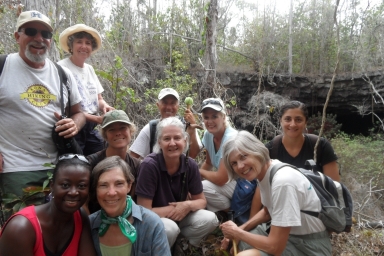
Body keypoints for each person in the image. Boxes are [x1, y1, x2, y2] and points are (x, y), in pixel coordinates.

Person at [0, 10, 85, 221]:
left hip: (58, 168)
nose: (39, 39)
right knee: (21, 230)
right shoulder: (3, 67)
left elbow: (79, 112)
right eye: (31, 31)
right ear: (17, 36)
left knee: (60, 229)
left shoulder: (62, 74)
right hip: (15, 167)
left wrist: (75, 124)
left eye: (45, 34)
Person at [219, 130, 332, 256]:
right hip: (290, 235)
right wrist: (241, 229)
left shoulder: (283, 182)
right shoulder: (266, 172)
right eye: (234, 163)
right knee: (241, 243)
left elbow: (275, 247)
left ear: (257, 151)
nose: (240, 166)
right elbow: (267, 211)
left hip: (309, 246)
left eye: (243, 156)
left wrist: (237, 233)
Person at [135, 117, 219, 247]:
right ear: (159, 142)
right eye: (167, 139)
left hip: (180, 217)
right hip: (155, 220)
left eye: (177, 138)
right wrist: (176, 208)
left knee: (210, 219)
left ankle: (180, 245)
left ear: (185, 141)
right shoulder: (149, 165)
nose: (172, 143)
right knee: (170, 228)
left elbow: (201, 201)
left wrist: (187, 206)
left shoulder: (190, 164)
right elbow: (144, 210)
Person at [0, 154, 96, 256]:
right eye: (65, 185)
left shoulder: (80, 217)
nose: (73, 192)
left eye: (81, 186)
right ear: (52, 186)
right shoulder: (21, 228)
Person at [89, 156, 170, 256]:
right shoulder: (89, 226)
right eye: (103, 185)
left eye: (119, 183)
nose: (111, 192)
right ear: (95, 189)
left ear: (129, 186)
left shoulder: (151, 224)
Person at [58, 24, 114, 156]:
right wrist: (97, 119)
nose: (84, 46)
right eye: (79, 42)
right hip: (73, 126)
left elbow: (99, 98)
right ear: (71, 46)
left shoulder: (89, 69)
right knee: (76, 164)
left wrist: (105, 107)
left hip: (90, 128)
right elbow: (65, 108)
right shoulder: (61, 68)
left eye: (88, 43)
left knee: (101, 157)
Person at [265, 100, 340, 181]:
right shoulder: (270, 150)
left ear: (306, 122)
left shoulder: (320, 146)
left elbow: (334, 186)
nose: (293, 124)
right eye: (288, 119)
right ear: (281, 121)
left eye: (298, 120)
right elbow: (263, 187)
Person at [86, 109, 140, 212]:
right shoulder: (91, 163)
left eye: (123, 128)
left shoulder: (137, 165)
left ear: (131, 131)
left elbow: (134, 202)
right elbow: (83, 203)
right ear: (105, 135)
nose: (118, 133)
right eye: (112, 130)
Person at [129, 88, 201, 159]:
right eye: (165, 103)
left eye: (173, 103)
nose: (169, 107)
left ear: (178, 106)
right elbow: (133, 157)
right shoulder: (151, 129)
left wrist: (192, 130)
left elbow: (193, 155)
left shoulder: (187, 125)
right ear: (158, 105)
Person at [199, 98, 238, 212]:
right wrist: (193, 180)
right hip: (229, 183)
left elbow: (221, 179)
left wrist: (197, 172)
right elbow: (209, 163)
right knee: (197, 187)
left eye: (214, 116)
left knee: (203, 188)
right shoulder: (208, 135)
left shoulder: (230, 138)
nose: (209, 121)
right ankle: (229, 212)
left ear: (223, 117)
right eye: (206, 117)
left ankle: (234, 213)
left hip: (243, 184)